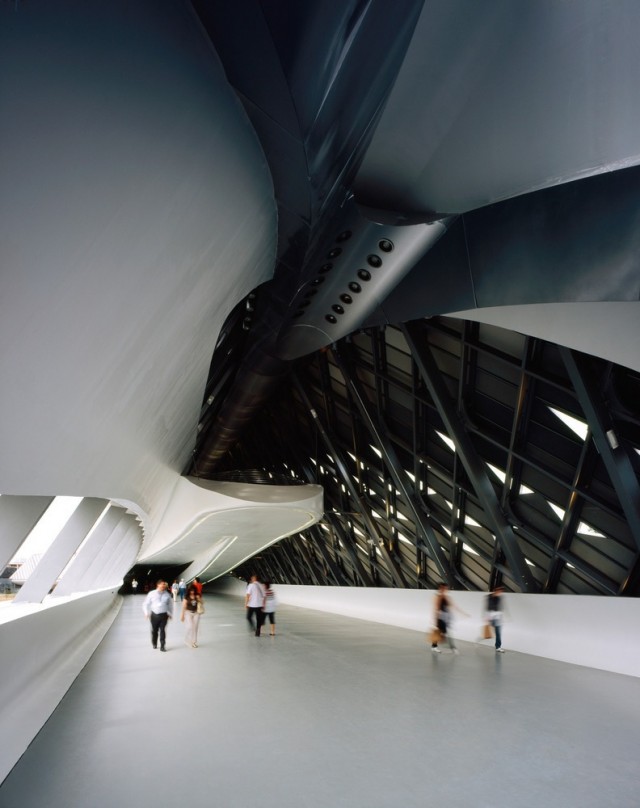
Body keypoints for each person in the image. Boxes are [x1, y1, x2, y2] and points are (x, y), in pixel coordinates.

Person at [431, 583, 467, 654]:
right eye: (444, 588)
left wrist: (463, 613)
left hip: (446, 617)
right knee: (444, 632)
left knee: (441, 632)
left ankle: (434, 646)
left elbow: (453, 606)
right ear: (441, 588)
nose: (446, 589)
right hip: (440, 617)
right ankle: (452, 647)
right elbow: (436, 608)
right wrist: (435, 619)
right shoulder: (438, 597)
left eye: (446, 588)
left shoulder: (447, 597)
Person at [142, 579, 173, 651]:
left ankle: (162, 646)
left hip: (164, 615)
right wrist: (146, 613)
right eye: (162, 584)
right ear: (158, 585)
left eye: (164, 584)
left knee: (162, 630)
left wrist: (170, 613)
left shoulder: (167, 594)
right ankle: (154, 643)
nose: (164, 585)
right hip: (154, 615)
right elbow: (145, 604)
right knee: (154, 631)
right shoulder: (151, 593)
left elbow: (170, 605)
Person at [486, 585, 505, 652]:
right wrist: (487, 617)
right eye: (499, 591)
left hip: (497, 617)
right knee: (491, 630)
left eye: (501, 591)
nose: (500, 592)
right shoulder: (489, 597)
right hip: (491, 616)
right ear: (496, 590)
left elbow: (500, 608)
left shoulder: (499, 598)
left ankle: (498, 647)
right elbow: (487, 607)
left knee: (498, 632)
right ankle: (484, 637)